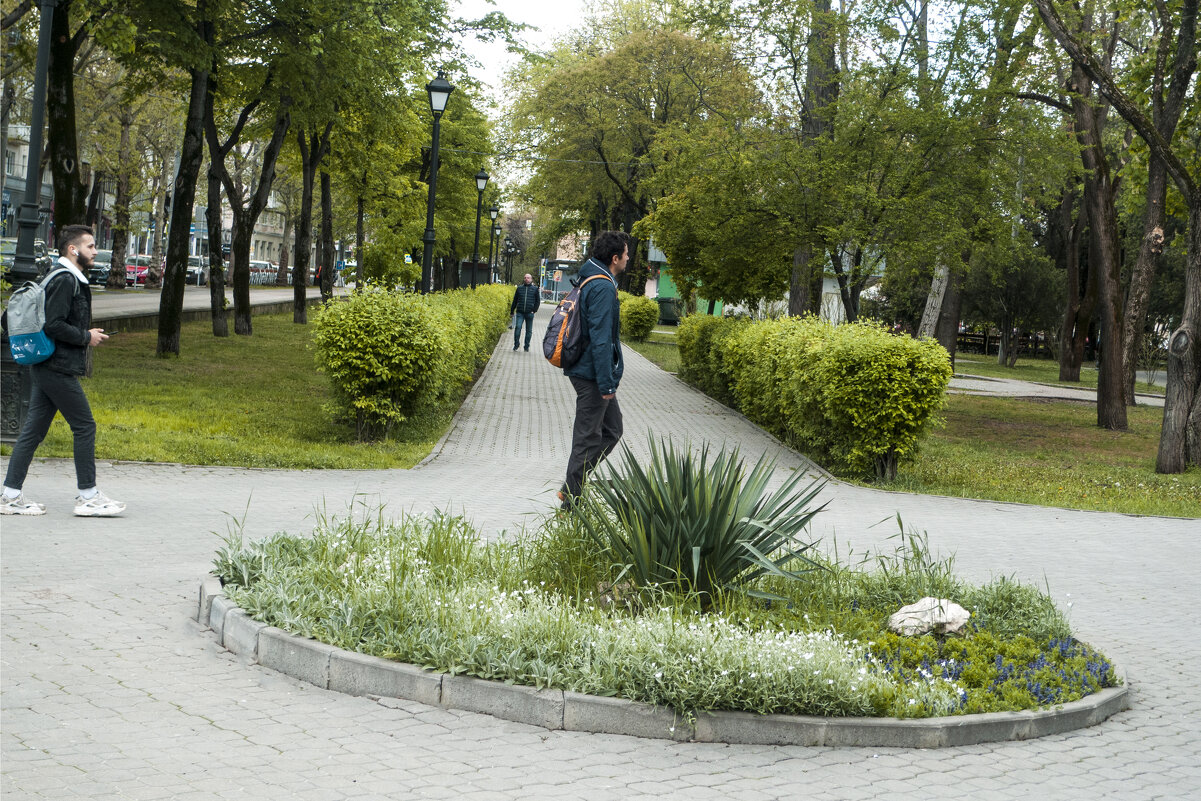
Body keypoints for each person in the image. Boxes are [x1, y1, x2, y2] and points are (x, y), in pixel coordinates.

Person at [1, 225, 125, 517]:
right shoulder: (65, 279)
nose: (95, 251)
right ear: (73, 249)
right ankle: (88, 496)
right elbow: (53, 325)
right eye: (90, 246)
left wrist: (86, 332)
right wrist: (86, 337)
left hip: (48, 365)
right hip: (56, 366)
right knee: (85, 426)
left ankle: (9, 495)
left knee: (33, 432)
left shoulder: (63, 277)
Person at [558, 231, 629, 508]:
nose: (628, 258)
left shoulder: (597, 278)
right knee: (587, 437)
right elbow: (600, 339)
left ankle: (571, 484)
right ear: (615, 258)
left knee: (612, 430)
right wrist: (606, 384)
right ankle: (570, 502)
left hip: (591, 371)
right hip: (591, 374)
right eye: (625, 254)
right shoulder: (602, 287)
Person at [510, 273, 540, 351]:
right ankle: (516, 344)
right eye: (525, 278)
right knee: (518, 328)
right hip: (520, 312)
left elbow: (538, 301)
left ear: (531, 279)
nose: (527, 279)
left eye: (528, 278)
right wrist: (512, 311)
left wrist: (534, 310)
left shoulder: (535, 289)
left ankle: (526, 346)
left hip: (530, 313)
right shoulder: (519, 288)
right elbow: (515, 300)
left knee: (529, 331)